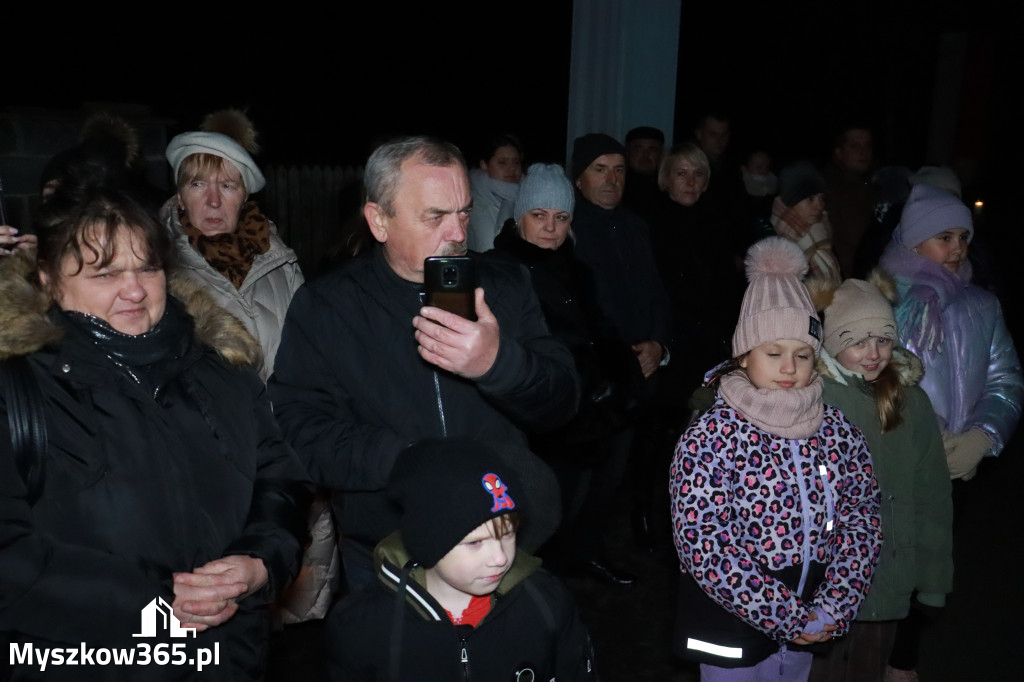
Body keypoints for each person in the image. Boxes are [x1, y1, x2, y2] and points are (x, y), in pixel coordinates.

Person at [0, 187, 310, 681]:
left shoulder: (221, 368)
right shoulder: (18, 386)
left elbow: (281, 483)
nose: (135, 290)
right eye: (104, 274)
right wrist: (156, 601)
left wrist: (261, 562)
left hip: (228, 659)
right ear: (49, 281)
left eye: (147, 268)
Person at [268, 136, 579, 591]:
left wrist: (498, 364)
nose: (457, 233)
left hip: (501, 542)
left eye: (464, 213)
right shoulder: (328, 305)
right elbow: (299, 429)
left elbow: (563, 400)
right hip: (388, 550)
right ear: (379, 220)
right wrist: (407, 460)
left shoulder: (506, 284)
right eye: (435, 216)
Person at [670, 236, 882, 681]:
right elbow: (703, 541)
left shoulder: (837, 432)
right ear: (744, 355)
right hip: (731, 621)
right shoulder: (711, 436)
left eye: (803, 355)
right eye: (773, 353)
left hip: (811, 613)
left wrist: (834, 604)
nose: (789, 368)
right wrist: (786, 614)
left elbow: (861, 515)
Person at [327, 438, 595, 681]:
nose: (500, 558)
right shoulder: (363, 627)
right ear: (429, 543)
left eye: (508, 535)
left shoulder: (547, 603)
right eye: (475, 543)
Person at [491, 162, 644, 579]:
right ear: (520, 216)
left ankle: (585, 551)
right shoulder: (503, 269)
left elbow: (600, 325)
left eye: (560, 218)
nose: (550, 227)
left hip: (598, 400)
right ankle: (543, 578)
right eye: (539, 216)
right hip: (551, 407)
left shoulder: (572, 265)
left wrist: (624, 375)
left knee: (601, 486)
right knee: (550, 506)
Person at [808, 276, 953, 682]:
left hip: (889, 582)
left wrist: (933, 581)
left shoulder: (913, 403)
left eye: (884, 340)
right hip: (825, 588)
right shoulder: (811, 399)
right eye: (858, 341)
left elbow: (933, 497)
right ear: (833, 342)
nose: (873, 354)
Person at [878, 184, 1022, 481]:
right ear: (915, 242)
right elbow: (875, 381)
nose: (958, 248)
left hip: (965, 467)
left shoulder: (983, 305)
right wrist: (936, 441)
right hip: (900, 465)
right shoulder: (884, 303)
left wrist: (981, 437)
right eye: (945, 237)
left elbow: (1005, 378)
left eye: (963, 237)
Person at [162, 109, 303, 382]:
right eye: (198, 184)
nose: (213, 201)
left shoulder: (282, 263)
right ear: (180, 197)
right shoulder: (156, 269)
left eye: (227, 186)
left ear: (244, 197)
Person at [770, 162, 842, 285]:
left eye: (821, 199)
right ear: (790, 202)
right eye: (810, 199)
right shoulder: (771, 243)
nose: (819, 206)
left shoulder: (821, 234)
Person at [822, 125, 878, 278]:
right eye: (854, 146)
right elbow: (836, 245)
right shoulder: (828, 190)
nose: (863, 152)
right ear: (839, 152)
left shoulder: (876, 185)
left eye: (867, 145)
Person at [466, 133, 523, 253]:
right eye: (502, 162)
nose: (512, 168)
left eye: (516, 162)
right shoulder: (472, 202)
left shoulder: (529, 196)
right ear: (484, 165)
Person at [622, 125, 666, 213]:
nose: (645, 155)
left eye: (652, 149)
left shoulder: (668, 187)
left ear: (661, 154)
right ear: (627, 153)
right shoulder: (618, 185)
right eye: (638, 149)